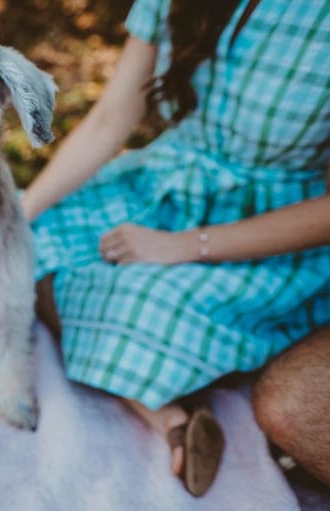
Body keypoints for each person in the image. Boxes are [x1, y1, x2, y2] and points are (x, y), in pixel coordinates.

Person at [21, 0, 330, 497]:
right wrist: (22, 213)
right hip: (170, 183)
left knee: (145, 302)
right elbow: (111, 117)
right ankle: (173, 417)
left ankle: (182, 372)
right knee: (37, 247)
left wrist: (185, 246)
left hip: (266, 224)